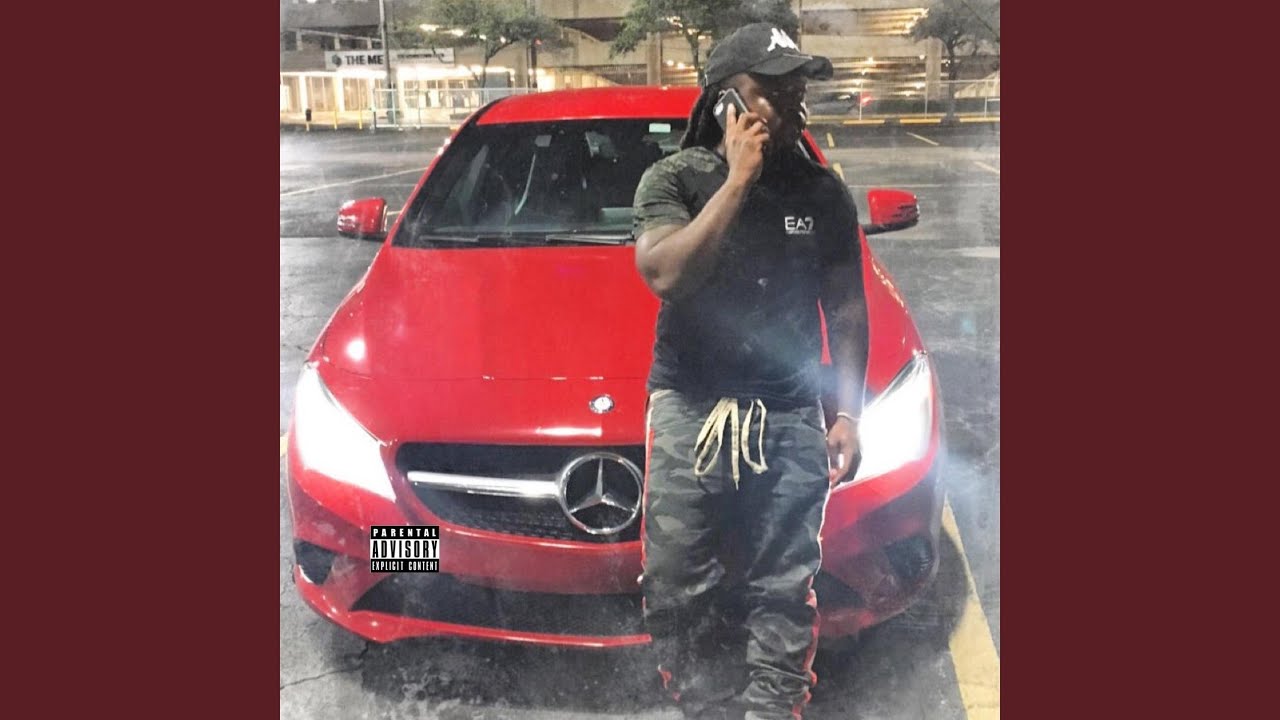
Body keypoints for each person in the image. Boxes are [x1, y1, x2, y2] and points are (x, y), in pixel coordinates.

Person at [631, 23, 869, 720]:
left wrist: (849, 411)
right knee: (678, 582)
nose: (794, 101)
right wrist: (738, 180)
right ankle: (702, 702)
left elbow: (846, 308)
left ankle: (773, 706)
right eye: (773, 89)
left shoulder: (821, 192)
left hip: (790, 411)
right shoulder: (675, 179)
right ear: (725, 102)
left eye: (798, 87)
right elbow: (667, 273)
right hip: (690, 405)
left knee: (784, 584)